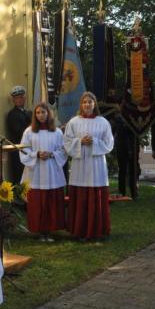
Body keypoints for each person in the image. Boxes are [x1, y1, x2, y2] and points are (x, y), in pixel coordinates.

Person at [63, 91, 114, 240]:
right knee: (80, 197)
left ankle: (97, 230)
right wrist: (79, 142)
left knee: (95, 196)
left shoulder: (103, 122)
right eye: (85, 102)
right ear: (81, 104)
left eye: (90, 102)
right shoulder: (73, 122)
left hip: (96, 164)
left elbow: (109, 143)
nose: (87, 105)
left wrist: (94, 142)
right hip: (80, 164)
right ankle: (79, 230)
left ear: (94, 104)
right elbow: (66, 142)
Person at [20, 103, 67, 241]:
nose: (41, 115)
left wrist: (52, 155)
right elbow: (23, 149)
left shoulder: (57, 132)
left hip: (52, 170)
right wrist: (36, 154)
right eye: (38, 112)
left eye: (43, 112)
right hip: (36, 172)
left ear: (49, 113)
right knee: (37, 201)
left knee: (51, 200)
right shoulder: (29, 132)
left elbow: (63, 150)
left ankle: (50, 229)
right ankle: (39, 230)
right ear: (35, 115)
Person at [5, 85, 31, 184]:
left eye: (21, 97)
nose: (19, 100)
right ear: (13, 100)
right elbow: (19, 132)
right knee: (19, 177)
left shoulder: (29, 112)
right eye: (16, 98)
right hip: (18, 149)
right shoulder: (12, 114)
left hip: (28, 149)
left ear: (24, 97)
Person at [112, 114, 139, 199]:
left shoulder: (134, 116)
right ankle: (122, 193)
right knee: (122, 171)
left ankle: (134, 193)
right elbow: (115, 131)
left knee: (133, 171)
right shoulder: (117, 118)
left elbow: (137, 130)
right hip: (121, 146)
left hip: (132, 145)